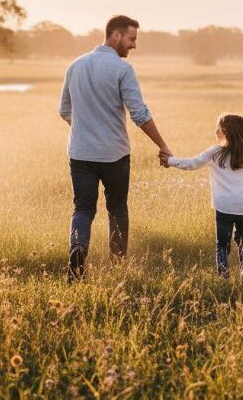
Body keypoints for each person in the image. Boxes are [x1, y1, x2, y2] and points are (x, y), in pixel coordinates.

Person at [59, 15, 173, 282]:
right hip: (115, 155)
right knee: (117, 209)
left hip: (80, 153)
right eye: (132, 39)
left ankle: (77, 252)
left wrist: (85, 130)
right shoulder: (122, 70)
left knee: (83, 209)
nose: (134, 46)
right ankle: (118, 266)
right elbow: (139, 113)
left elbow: (64, 110)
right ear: (116, 36)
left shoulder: (75, 66)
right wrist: (163, 145)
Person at [159, 113, 243, 279]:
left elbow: (191, 164)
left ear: (223, 131)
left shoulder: (215, 153)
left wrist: (170, 160)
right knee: (242, 237)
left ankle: (223, 275)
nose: (215, 130)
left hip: (224, 206)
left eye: (217, 127)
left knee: (222, 243)